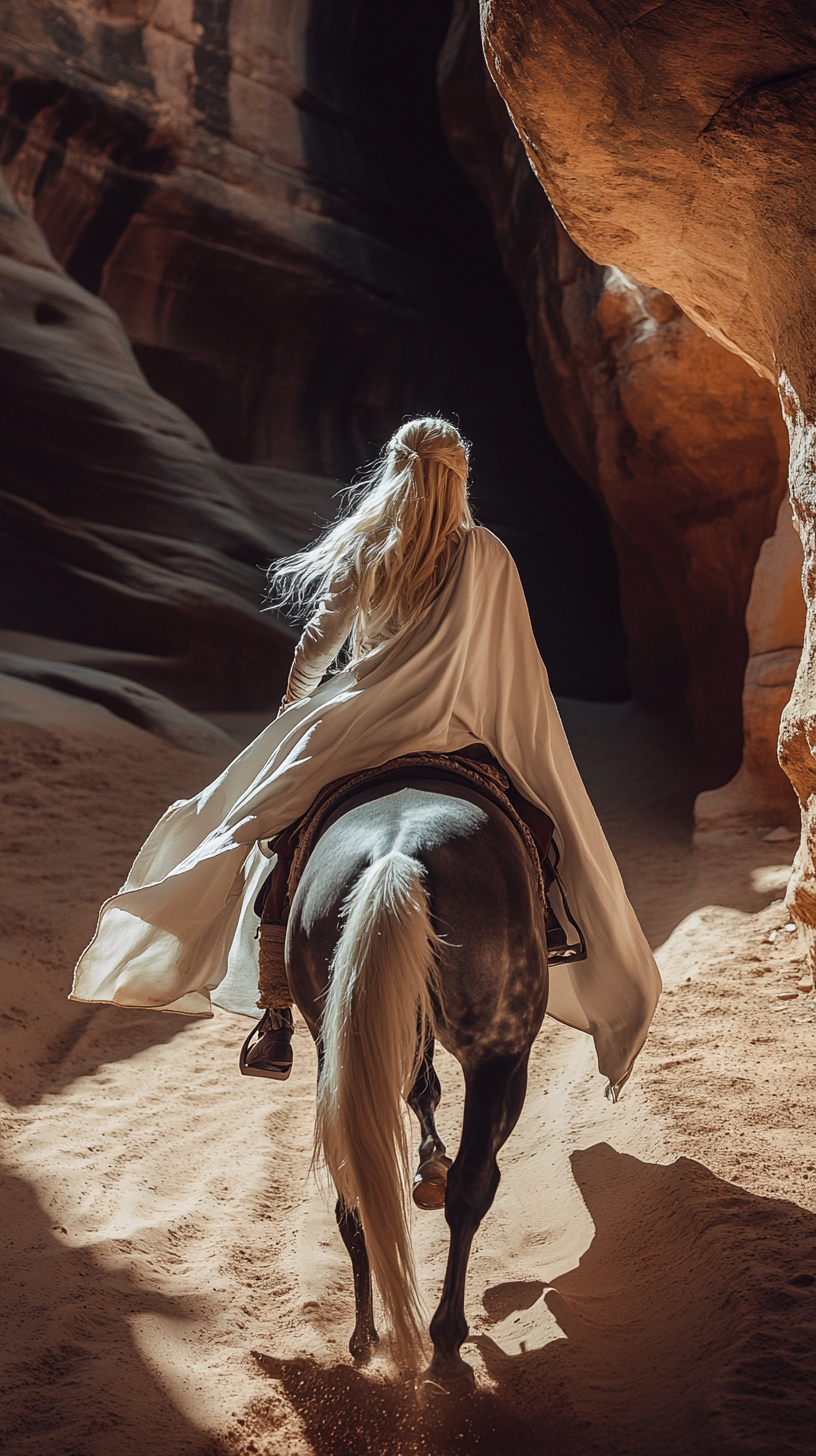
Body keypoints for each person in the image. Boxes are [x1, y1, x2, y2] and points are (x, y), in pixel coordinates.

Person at [71, 417, 660, 1100]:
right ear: (459, 476)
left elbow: (316, 651)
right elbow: (513, 665)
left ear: (395, 470)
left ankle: (275, 1010)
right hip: (463, 729)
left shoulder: (370, 548)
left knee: (278, 833)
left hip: (364, 724)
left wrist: (294, 717)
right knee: (536, 827)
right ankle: (550, 923)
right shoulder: (487, 552)